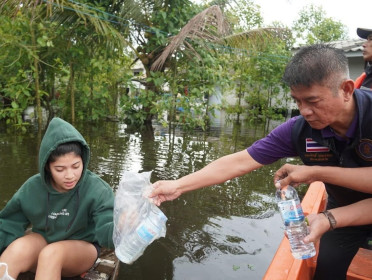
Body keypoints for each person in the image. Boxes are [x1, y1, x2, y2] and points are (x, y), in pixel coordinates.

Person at [150, 44, 372, 280]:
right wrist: (178, 185)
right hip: (343, 210)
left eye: (313, 100)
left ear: (346, 89)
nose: (304, 111)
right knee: (327, 270)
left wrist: (317, 172)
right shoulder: (300, 130)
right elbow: (239, 161)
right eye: (297, 101)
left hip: (343, 212)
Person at [0, 118, 115, 279]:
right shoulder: (32, 188)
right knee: (17, 248)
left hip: (82, 250)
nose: (70, 175)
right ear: (47, 167)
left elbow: (107, 233)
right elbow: (8, 226)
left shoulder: (97, 190)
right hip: (43, 240)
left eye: (76, 166)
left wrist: (124, 225)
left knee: (51, 254)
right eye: (60, 169)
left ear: (83, 161)